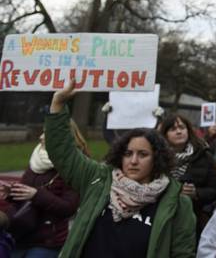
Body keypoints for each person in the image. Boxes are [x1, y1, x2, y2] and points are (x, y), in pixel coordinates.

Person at [44, 80, 196, 257]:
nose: (133, 161)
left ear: (157, 159)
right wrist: (58, 104)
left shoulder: (177, 203)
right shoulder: (98, 180)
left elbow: (182, 253)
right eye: (127, 153)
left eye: (142, 154)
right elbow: (63, 153)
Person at [0, 123, 87, 258]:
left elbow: (69, 208)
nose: (41, 137)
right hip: (22, 233)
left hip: (47, 241)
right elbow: (26, 191)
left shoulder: (74, 167)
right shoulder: (37, 159)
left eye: (47, 133)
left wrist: (36, 195)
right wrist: (11, 192)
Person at [160, 114, 216, 238]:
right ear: (165, 134)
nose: (179, 132)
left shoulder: (204, 156)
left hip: (191, 221)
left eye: (182, 128)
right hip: (161, 218)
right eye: (173, 129)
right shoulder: (158, 157)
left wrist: (196, 193)